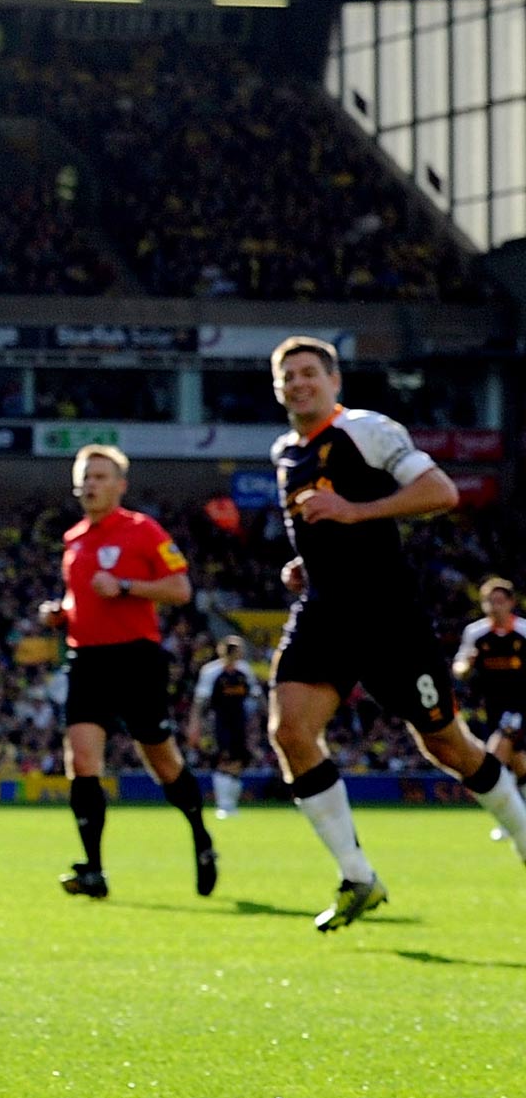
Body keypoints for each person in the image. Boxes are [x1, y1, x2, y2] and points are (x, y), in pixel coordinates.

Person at [265, 336, 526, 931]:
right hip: (324, 613)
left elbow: (441, 491)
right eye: (288, 376)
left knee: (447, 747)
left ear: (333, 380)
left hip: (388, 619)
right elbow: (323, 525)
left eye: (309, 373)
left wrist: (356, 513)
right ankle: (357, 874)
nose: (299, 383)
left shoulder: (365, 429)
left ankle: (523, 832)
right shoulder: (285, 451)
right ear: (278, 389)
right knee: (290, 731)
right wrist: (308, 563)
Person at [37, 445, 212, 899]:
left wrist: (127, 587)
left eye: (101, 476)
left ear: (120, 485)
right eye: (86, 477)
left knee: (162, 761)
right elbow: (83, 600)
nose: (92, 484)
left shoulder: (143, 530)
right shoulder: (73, 539)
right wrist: (62, 613)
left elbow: (180, 589)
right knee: (81, 759)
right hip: (86, 659)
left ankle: (200, 834)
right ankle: (93, 869)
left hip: (136, 658)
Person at [453, 576, 526, 841]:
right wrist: (465, 666)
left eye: (499, 601)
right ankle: (521, 813)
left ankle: (511, 821)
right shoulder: (476, 633)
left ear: (511, 603)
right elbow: (459, 666)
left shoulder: (524, 632)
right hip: (492, 708)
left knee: (495, 756)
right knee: (519, 764)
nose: (494, 606)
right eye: (488, 601)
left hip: (521, 706)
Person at [188, 636, 261, 818]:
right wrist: (196, 724)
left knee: (238, 760)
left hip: (240, 721)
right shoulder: (211, 672)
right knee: (223, 758)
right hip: (218, 721)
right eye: (238, 650)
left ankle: (231, 805)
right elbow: (201, 700)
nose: (242, 653)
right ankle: (223, 805)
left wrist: (263, 717)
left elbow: (255, 695)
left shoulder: (244, 670)